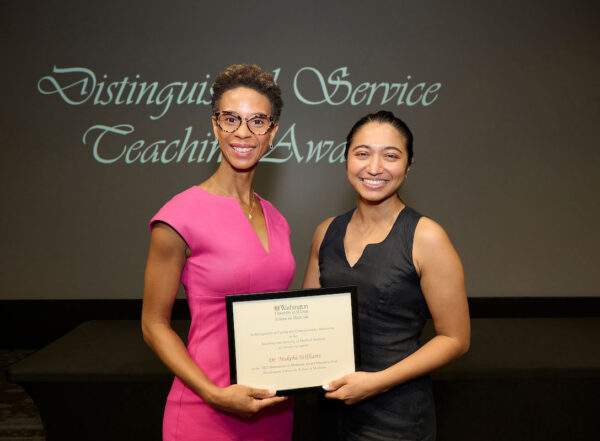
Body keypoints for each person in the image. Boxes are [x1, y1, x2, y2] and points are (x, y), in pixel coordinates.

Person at [142, 64, 295, 441]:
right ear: (215, 126)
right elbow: (153, 325)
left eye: (258, 121)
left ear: (273, 132)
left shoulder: (277, 218)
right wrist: (213, 393)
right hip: (205, 408)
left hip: (272, 407)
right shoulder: (179, 215)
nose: (243, 133)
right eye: (231, 119)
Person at [302, 111, 470, 441]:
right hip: (329, 408)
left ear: (408, 167)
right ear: (346, 159)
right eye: (362, 153)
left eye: (390, 156)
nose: (375, 167)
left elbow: (455, 339)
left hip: (396, 417)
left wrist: (375, 382)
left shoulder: (426, 236)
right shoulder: (326, 232)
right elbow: (308, 320)